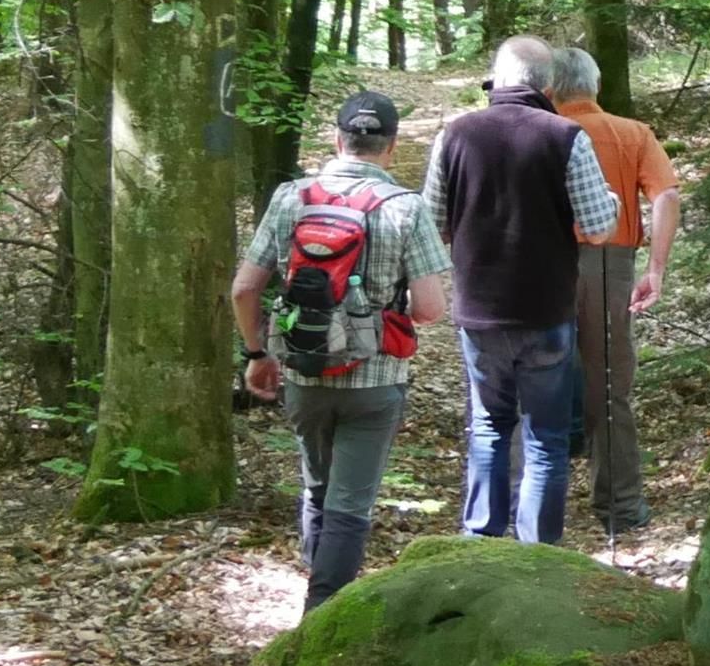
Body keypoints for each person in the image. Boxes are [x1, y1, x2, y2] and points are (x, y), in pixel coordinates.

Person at [231, 90, 452, 609]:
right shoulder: (406, 207)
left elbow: (243, 289)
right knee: (350, 505)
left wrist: (256, 355)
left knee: (317, 489)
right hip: (375, 381)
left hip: (303, 374)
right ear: (391, 147)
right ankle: (322, 615)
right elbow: (430, 309)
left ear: (337, 139)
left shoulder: (291, 197)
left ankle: (318, 596)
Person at [420, 35, 619, 545]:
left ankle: (481, 544)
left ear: (498, 80)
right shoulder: (565, 136)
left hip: (479, 311)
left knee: (489, 427)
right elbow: (600, 227)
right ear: (549, 87)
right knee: (546, 438)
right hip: (547, 311)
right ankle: (538, 553)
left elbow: (431, 224)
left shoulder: (454, 135)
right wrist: (611, 200)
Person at [549, 45, 682, 543]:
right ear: (596, 85)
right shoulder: (632, 133)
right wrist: (657, 269)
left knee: (532, 378)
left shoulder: (541, 131)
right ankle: (620, 505)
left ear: (550, 89)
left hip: (544, 263)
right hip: (610, 265)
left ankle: (531, 506)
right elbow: (666, 194)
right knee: (609, 385)